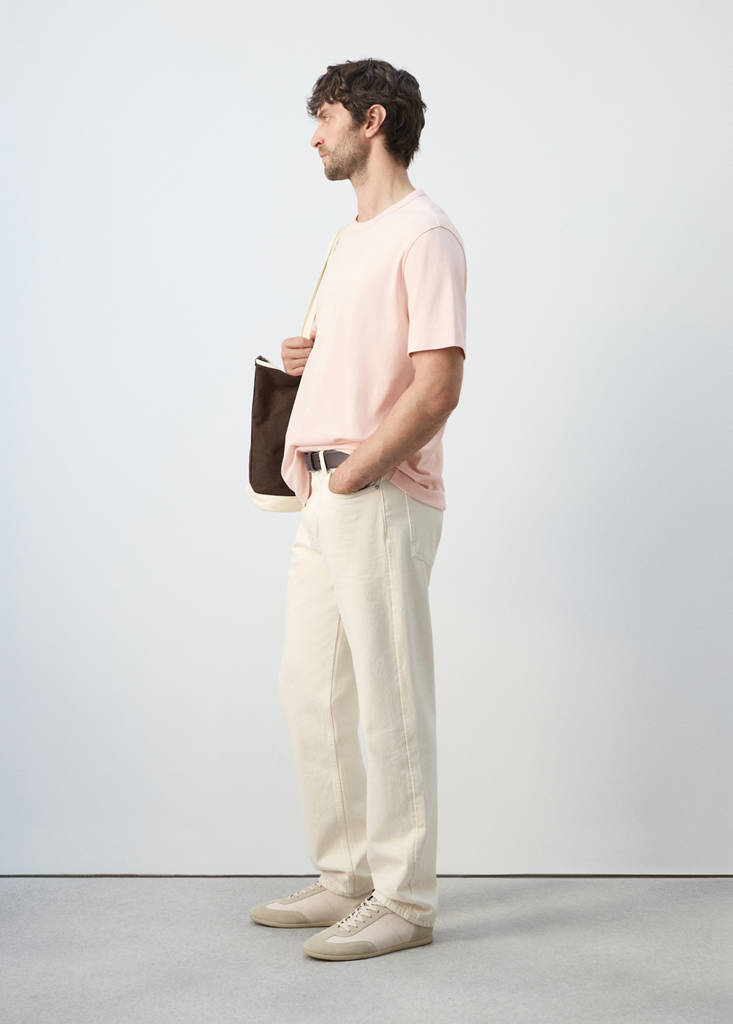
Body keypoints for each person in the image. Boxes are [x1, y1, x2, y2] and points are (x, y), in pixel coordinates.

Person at [250, 58, 467, 961]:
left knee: (391, 702)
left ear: (371, 121)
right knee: (312, 689)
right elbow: (365, 360)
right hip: (324, 493)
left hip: (374, 490)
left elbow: (437, 386)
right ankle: (345, 877)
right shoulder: (350, 240)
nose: (314, 136)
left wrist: (356, 473)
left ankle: (405, 902)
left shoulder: (425, 234)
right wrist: (309, 360)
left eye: (325, 118)